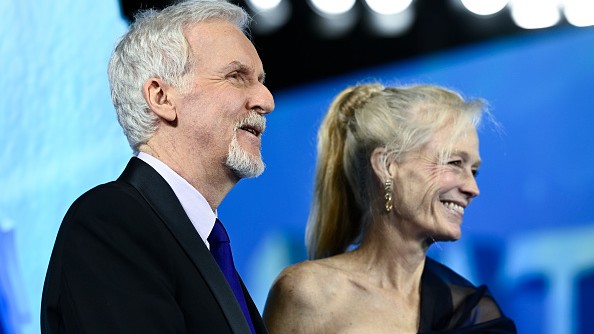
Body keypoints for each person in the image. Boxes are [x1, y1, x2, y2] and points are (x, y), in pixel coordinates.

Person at [41, 0, 274, 333]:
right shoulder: (111, 224)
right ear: (162, 97)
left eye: (261, 80)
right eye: (236, 76)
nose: (266, 100)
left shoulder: (203, 243)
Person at [263, 83, 516, 333]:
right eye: (454, 163)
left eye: (474, 171)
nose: (472, 188)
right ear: (387, 165)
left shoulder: (473, 314)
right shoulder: (307, 293)